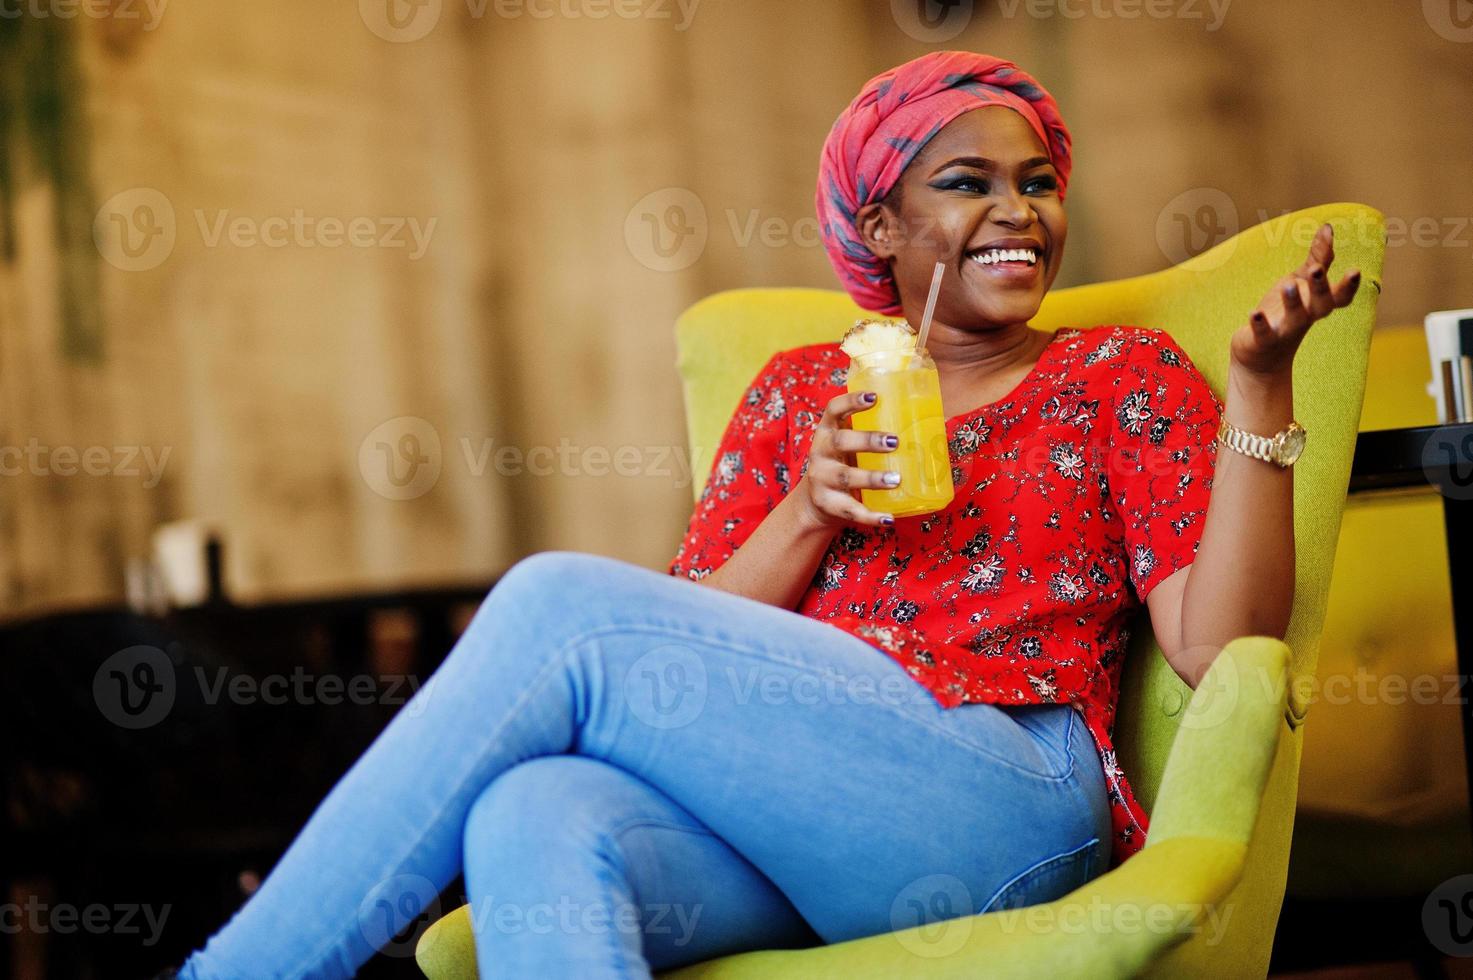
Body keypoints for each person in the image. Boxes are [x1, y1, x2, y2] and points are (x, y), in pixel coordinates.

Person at [170, 50, 1359, 979]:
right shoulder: (801, 389)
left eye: (1036, 181)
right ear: (881, 227)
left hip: (999, 799)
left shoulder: (1118, 373)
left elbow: (1220, 643)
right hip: (812, 819)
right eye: (967, 182)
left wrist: (1259, 389)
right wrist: (809, 504)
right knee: (537, 809)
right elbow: (680, 656)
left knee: (554, 604)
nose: (1020, 209)